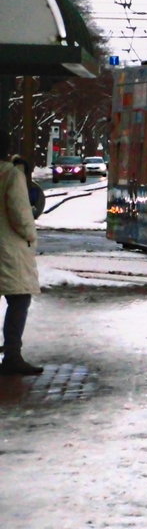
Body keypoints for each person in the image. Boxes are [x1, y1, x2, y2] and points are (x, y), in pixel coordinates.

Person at [0, 132, 43, 376]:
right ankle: (12, 355)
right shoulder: (10, 174)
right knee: (19, 298)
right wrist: (30, 235)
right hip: (7, 248)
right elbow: (20, 214)